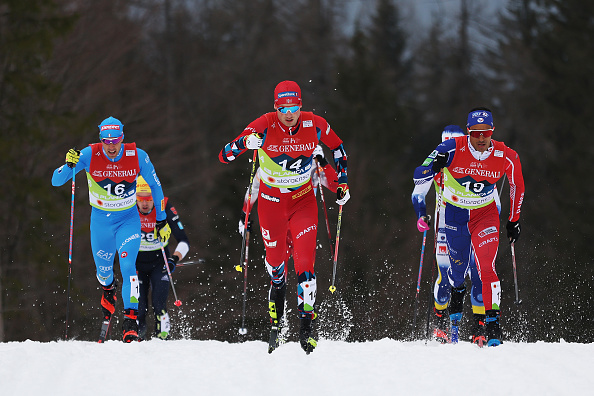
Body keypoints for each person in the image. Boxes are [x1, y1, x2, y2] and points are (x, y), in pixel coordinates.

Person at [219, 80, 350, 354]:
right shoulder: (264, 124)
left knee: (306, 264)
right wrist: (245, 142)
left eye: (293, 107)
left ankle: (306, 330)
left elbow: (338, 149)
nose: (288, 114)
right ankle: (276, 325)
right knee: (277, 268)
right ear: (275, 107)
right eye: (282, 108)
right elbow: (225, 155)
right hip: (270, 202)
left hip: (303, 200)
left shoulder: (314, 124)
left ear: (300, 106)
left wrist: (343, 184)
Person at [412, 108, 525, 347]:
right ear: (468, 132)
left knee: (485, 266)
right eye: (476, 133)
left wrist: (514, 220)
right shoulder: (451, 148)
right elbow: (419, 173)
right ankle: (454, 300)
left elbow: (517, 185)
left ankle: (492, 324)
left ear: (492, 132)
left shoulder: (505, 155)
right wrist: (434, 166)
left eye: (486, 133)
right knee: (457, 271)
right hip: (455, 215)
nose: (481, 138)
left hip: (485, 214)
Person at [52, 116, 170, 342]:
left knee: (127, 265)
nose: (111, 145)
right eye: (106, 141)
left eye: (115, 140)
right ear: (101, 140)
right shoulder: (88, 154)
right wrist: (68, 165)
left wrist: (161, 218)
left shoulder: (137, 156)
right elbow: (56, 182)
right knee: (104, 272)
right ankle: (108, 290)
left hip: (128, 220)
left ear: (122, 138)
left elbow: (155, 186)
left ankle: (130, 321)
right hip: (101, 223)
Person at [412, 125, 491, 345]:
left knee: (476, 272)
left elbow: (493, 192)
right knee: (445, 273)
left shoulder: (477, 160)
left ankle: (479, 327)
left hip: (474, 221)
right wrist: (421, 215)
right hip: (445, 222)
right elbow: (418, 188)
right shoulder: (438, 157)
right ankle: (440, 324)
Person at [135, 176, 190, 340]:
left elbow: (184, 242)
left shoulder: (164, 207)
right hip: (136, 264)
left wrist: (174, 259)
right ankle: (136, 341)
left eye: (149, 199)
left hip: (160, 263)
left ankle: (162, 341)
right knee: (139, 307)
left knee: (159, 305)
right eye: (141, 199)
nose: (145, 204)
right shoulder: (128, 208)